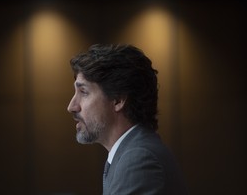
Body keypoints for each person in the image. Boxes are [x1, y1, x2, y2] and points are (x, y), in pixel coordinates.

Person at [67, 44, 188, 195]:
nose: (72, 106)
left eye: (83, 92)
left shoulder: (138, 159)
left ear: (118, 100)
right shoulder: (129, 153)